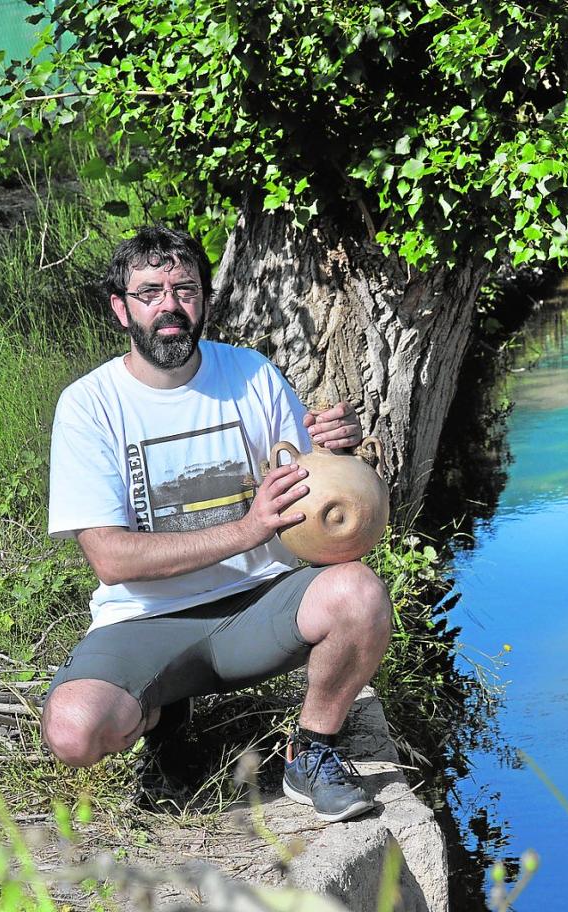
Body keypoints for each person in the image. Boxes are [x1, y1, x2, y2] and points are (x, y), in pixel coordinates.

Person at [41, 225, 392, 824]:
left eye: (184, 289)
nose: (169, 307)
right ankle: (165, 715)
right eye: (149, 292)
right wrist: (245, 529)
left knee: (359, 591)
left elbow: (317, 495)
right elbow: (111, 559)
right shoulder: (89, 405)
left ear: (204, 298)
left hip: (260, 605)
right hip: (148, 618)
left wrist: (341, 452)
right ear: (120, 308)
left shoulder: (251, 375)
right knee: (75, 732)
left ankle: (312, 753)